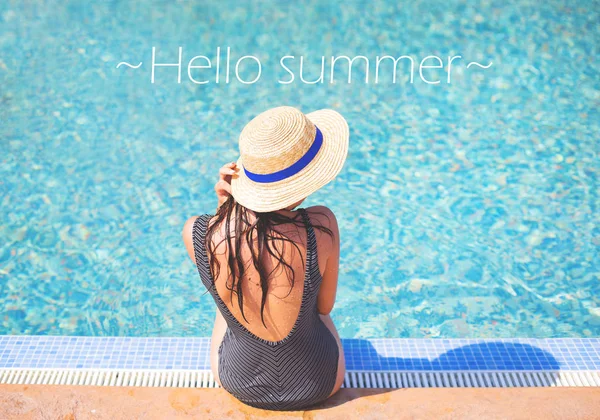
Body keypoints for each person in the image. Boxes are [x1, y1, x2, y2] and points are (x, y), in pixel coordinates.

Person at [182, 106, 349, 411]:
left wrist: (224, 209)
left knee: (226, 297)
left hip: (239, 381)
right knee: (317, 310)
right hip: (321, 383)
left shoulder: (197, 231)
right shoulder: (321, 225)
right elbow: (325, 308)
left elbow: (230, 243)